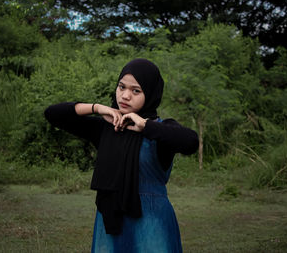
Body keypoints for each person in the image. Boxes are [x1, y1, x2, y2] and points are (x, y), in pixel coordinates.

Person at [44, 58, 198, 252]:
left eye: (136, 91)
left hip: (151, 223)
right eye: (121, 87)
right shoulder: (106, 128)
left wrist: (145, 126)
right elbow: (52, 114)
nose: (125, 96)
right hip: (110, 222)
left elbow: (191, 142)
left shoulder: (160, 130)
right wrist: (97, 108)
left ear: (150, 93)